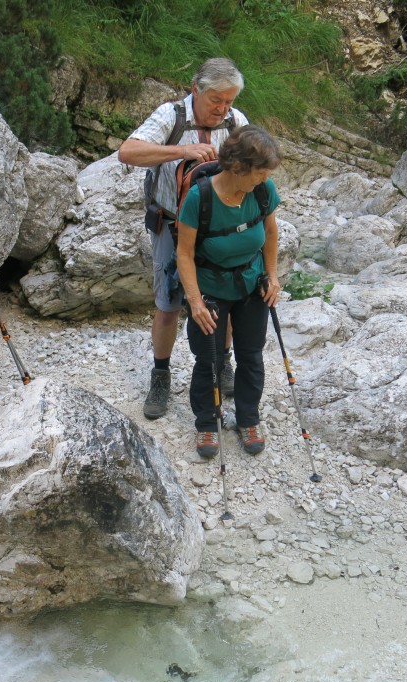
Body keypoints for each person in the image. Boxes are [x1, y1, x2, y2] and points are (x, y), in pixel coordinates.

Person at [118, 58, 249, 420]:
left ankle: (223, 364)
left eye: (229, 101)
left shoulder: (237, 122)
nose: (223, 109)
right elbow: (127, 151)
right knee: (168, 303)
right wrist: (182, 150)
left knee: (225, 298)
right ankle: (160, 374)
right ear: (197, 90)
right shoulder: (171, 117)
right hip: (171, 224)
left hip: (219, 228)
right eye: (216, 101)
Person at [175, 124, 282, 459]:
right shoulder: (200, 198)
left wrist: (272, 276)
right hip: (210, 289)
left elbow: (271, 232)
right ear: (239, 168)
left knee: (251, 355)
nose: (264, 179)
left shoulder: (263, 192)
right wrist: (195, 302)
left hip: (251, 286)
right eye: (260, 172)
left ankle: (248, 418)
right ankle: (207, 423)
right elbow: (184, 253)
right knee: (209, 358)